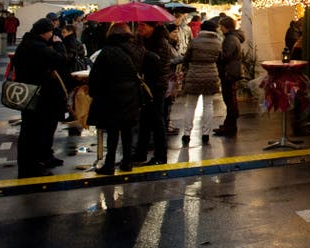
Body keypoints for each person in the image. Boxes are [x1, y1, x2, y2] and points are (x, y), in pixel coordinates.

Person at [11, 18, 68, 178]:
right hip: (37, 95)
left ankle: (38, 160)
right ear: (45, 32)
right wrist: (58, 44)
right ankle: (31, 166)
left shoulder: (27, 43)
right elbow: (60, 59)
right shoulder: (37, 47)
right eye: (51, 31)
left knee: (34, 130)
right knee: (33, 132)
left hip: (29, 93)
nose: (52, 35)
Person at [88, 23, 144, 174]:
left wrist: (93, 93)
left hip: (111, 95)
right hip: (132, 95)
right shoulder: (137, 49)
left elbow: (95, 76)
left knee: (112, 131)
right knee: (127, 131)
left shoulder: (107, 52)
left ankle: (109, 164)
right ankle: (127, 162)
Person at [134, 20, 173, 165]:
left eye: (143, 25)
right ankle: (140, 153)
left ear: (152, 27)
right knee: (144, 120)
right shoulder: (143, 40)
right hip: (145, 85)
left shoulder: (161, 42)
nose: (140, 28)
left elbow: (159, 64)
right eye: (139, 25)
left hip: (156, 86)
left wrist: (143, 53)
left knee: (157, 120)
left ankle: (160, 156)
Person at [179, 19, 223, 145]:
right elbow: (220, 59)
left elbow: (187, 58)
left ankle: (187, 134)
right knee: (208, 105)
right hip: (211, 74)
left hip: (194, 74)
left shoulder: (195, 41)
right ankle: (206, 134)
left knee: (190, 106)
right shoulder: (217, 42)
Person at [215, 16, 245, 137]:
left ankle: (230, 126)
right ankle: (229, 123)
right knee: (230, 99)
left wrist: (218, 54)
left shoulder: (230, 39)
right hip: (231, 71)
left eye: (221, 27)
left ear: (226, 27)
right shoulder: (233, 37)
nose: (220, 29)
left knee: (229, 99)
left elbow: (226, 56)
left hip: (229, 72)